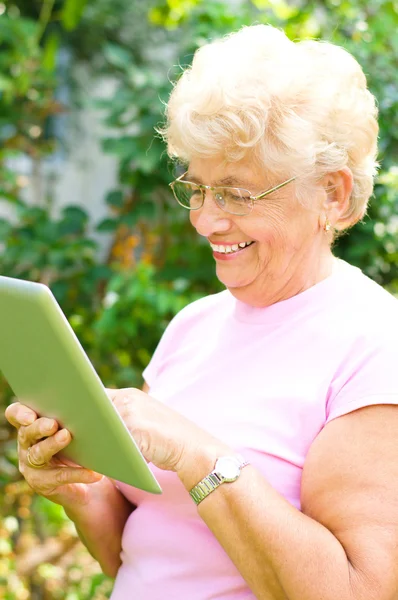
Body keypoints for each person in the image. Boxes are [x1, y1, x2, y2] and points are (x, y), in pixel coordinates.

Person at [5, 23, 398, 600]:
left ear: (332, 195)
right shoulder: (195, 325)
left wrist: (198, 455)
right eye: (198, 188)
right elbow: (138, 555)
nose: (206, 220)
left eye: (238, 194)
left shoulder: (373, 344)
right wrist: (76, 486)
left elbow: (357, 591)